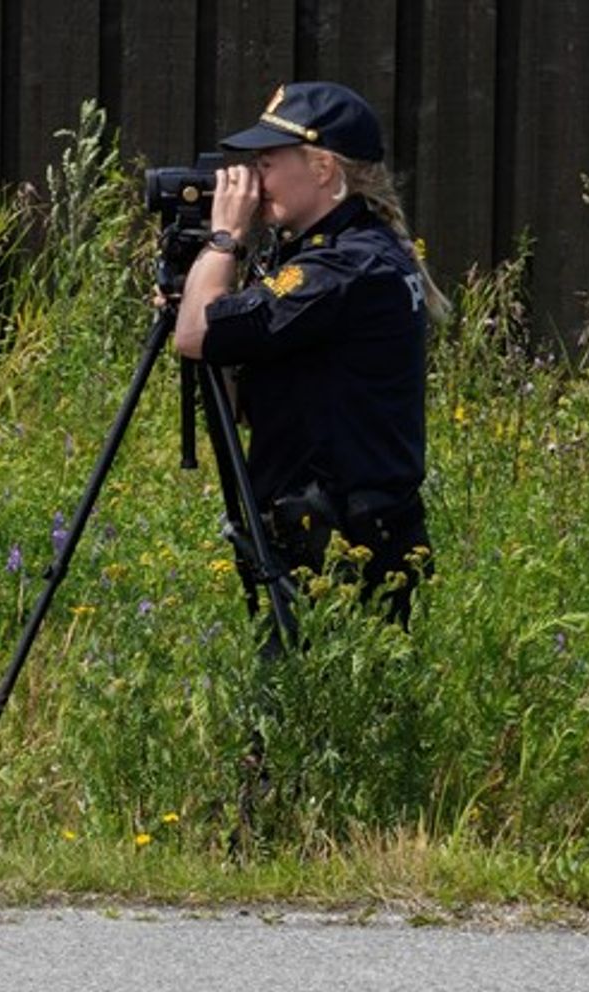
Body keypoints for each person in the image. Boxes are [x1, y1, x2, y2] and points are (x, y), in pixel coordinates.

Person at [173, 80, 447, 630]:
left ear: (323, 169)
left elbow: (196, 336)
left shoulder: (341, 270)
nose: (254, 178)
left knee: (310, 705)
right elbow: (250, 395)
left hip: (343, 541)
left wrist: (223, 239)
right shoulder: (349, 252)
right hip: (343, 531)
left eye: (268, 161)